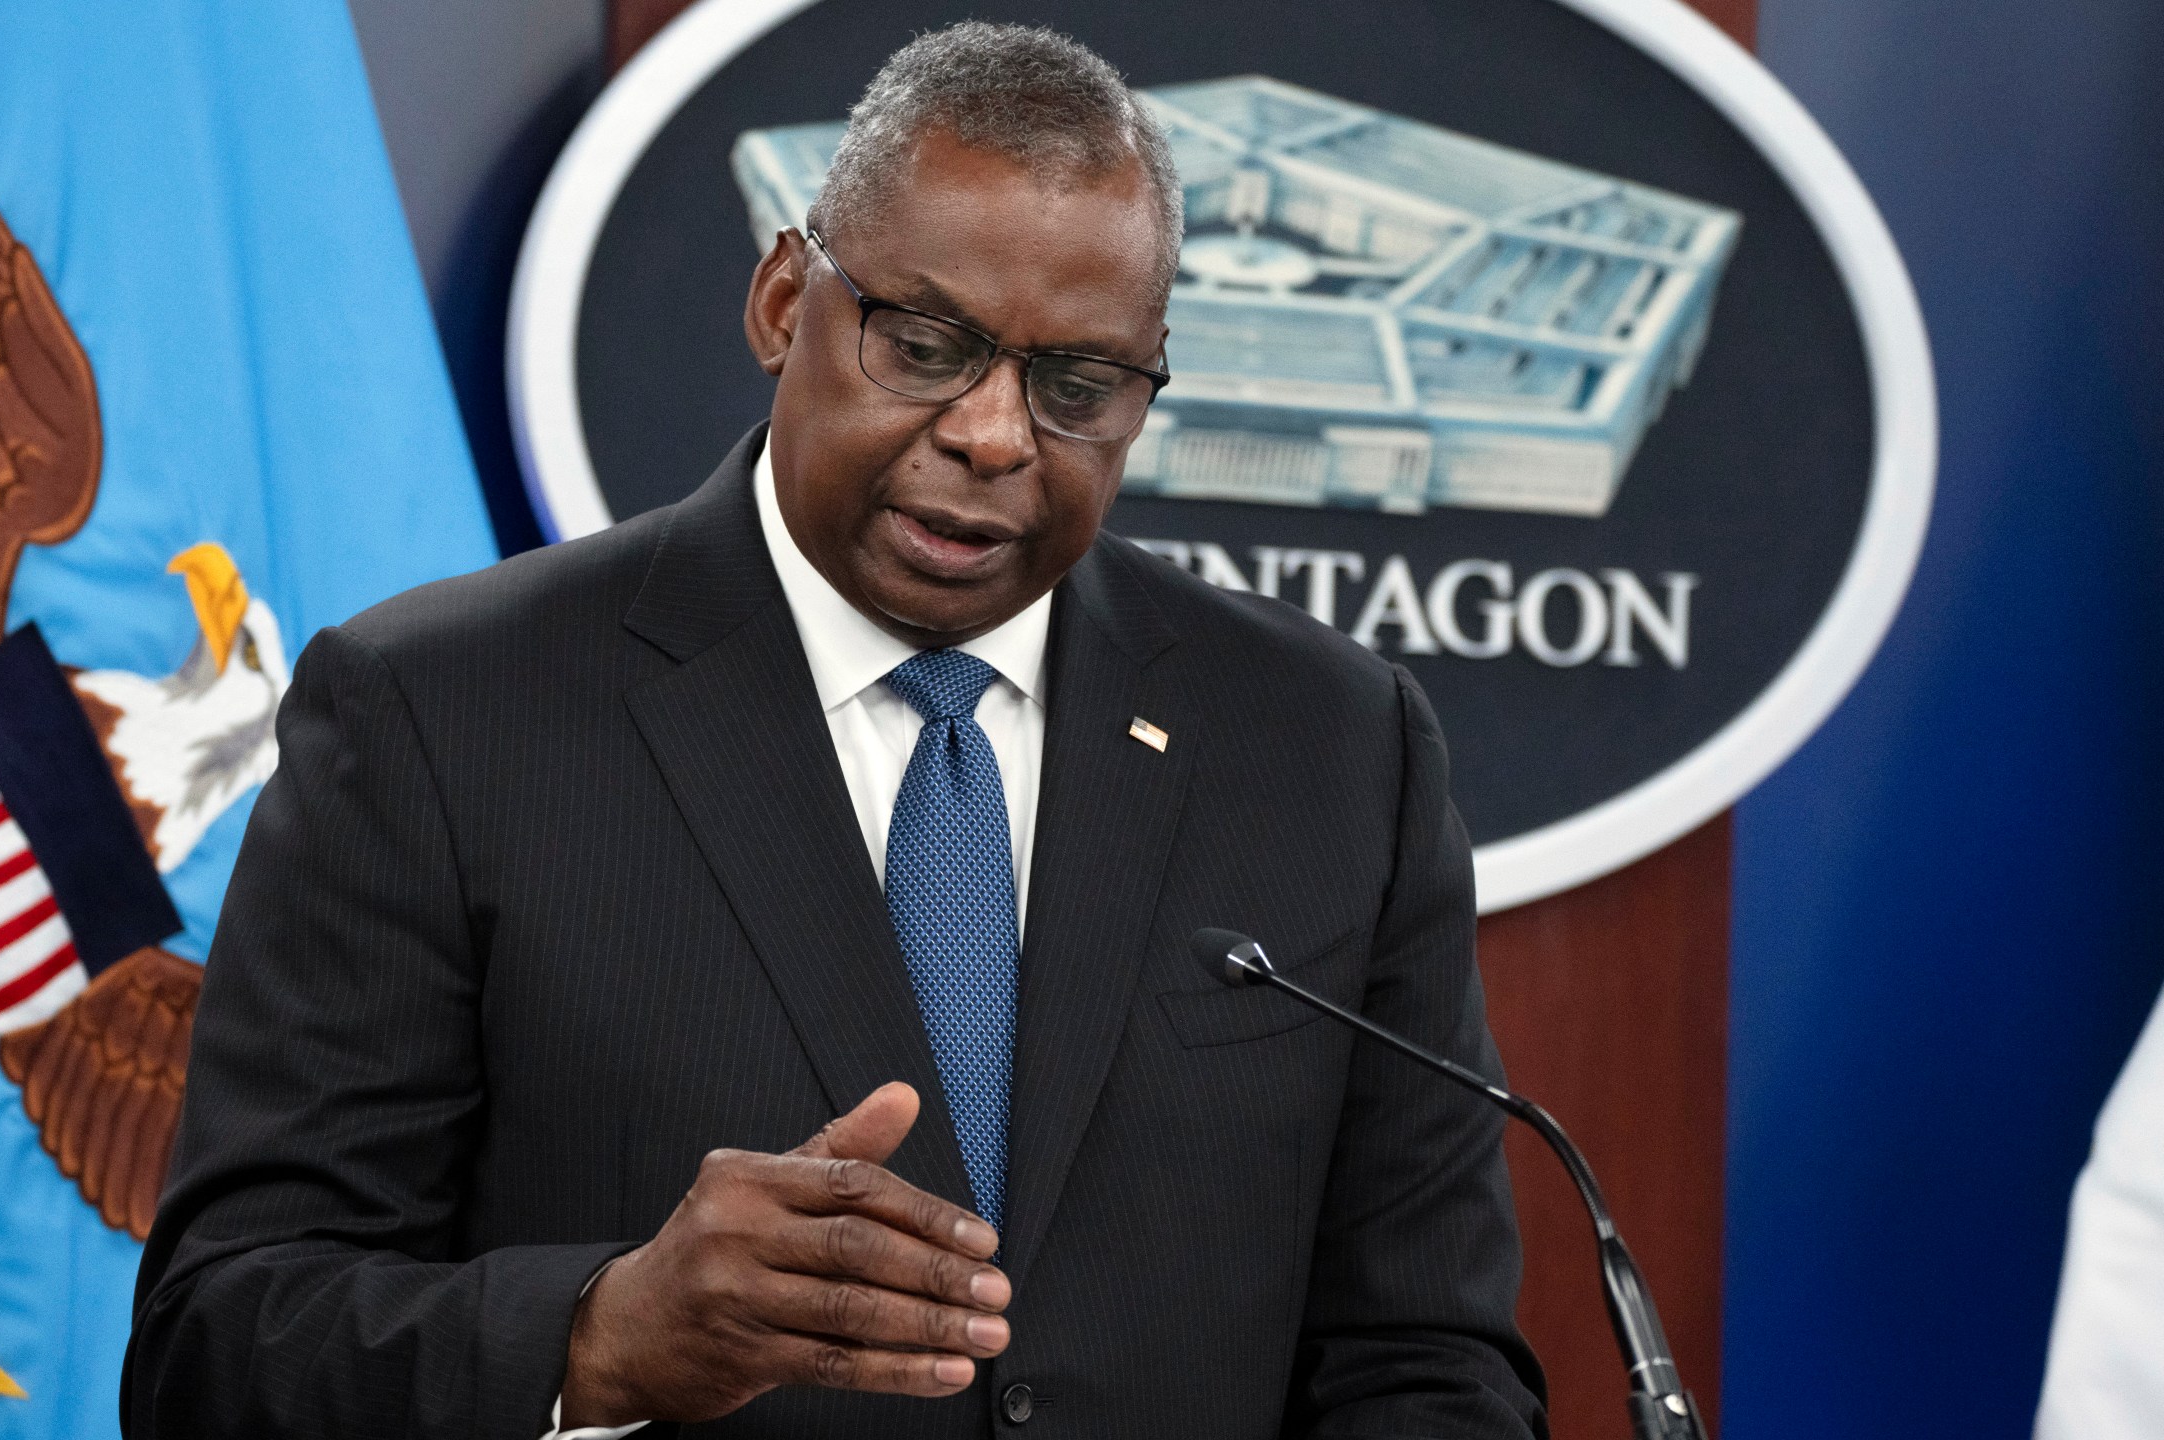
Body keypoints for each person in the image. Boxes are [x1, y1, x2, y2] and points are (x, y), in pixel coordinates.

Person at [125, 22, 1546, 1439]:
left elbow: (1427, 1367)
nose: (994, 434)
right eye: (925, 344)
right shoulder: (440, 712)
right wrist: (602, 1336)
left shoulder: (1333, 747)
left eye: (1076, 387)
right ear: (781, 299)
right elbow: (222, 1349)